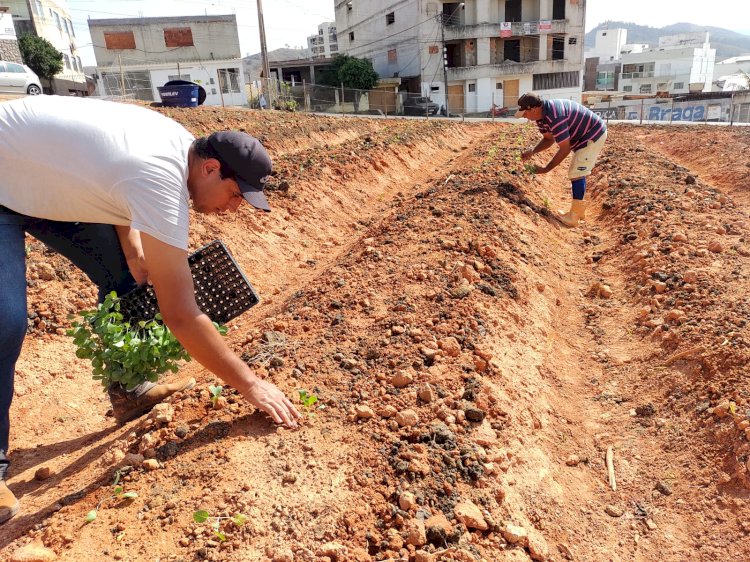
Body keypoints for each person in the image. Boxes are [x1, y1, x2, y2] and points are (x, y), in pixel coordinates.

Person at [0, 95, 302, 524]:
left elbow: (106, 167)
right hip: (4, 174)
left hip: (42, 179)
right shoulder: (161, 180)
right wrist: (251, 384)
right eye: (236, 195)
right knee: (4, 323)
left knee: (127, 274)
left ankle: (128, 388)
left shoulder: (182, 145)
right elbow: (180, 313)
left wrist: (133, 244)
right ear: (211, 169)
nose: (234, 209)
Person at [516, 92, 607, 227]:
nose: (525, 116)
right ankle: (579, 212)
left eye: (525, 113)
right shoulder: (541, 117)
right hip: (580, 136)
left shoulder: (555, 116)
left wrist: (546, 169)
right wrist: (533, 151)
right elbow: (548, 139)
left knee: (576, 172)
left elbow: (565, 148)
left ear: (533, 109)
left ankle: (574, 217)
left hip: (593, 134)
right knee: (576, 171)